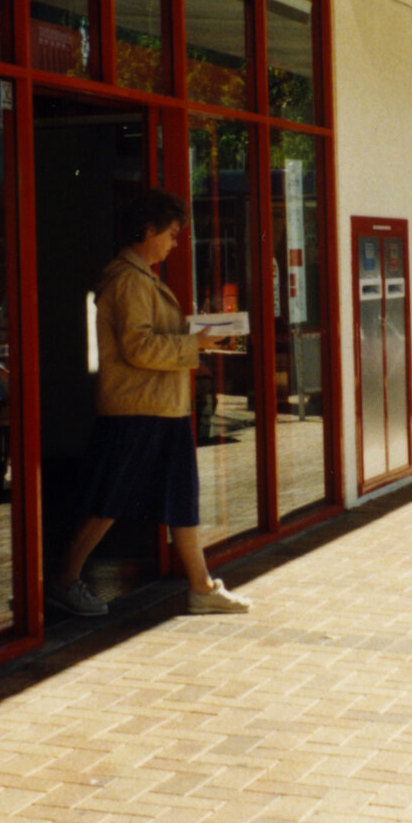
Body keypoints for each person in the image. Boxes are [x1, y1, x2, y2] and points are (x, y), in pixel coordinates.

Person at [48, 189, 251, 617]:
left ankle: (201, 586)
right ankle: (64, 582)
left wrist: (193, 338)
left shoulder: (140, 278)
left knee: (179, 499)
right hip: (137, 408)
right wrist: (194, 344)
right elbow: (138, 347)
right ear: (148, 231)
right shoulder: (128, 280)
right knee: (108, 499)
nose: (174, 243)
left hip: (161, 406)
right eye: (171, 234)